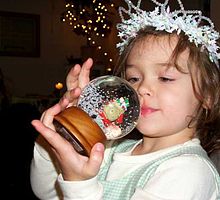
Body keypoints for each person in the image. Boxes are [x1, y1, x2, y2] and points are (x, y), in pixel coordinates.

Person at [30, 0, 220, 199]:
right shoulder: (111, 149)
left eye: (165, 78)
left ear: (207, 94)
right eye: (134, 79)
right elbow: (49, 193)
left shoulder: (189, 172)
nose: (142, 88)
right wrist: (59, 140)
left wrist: (80, 185)